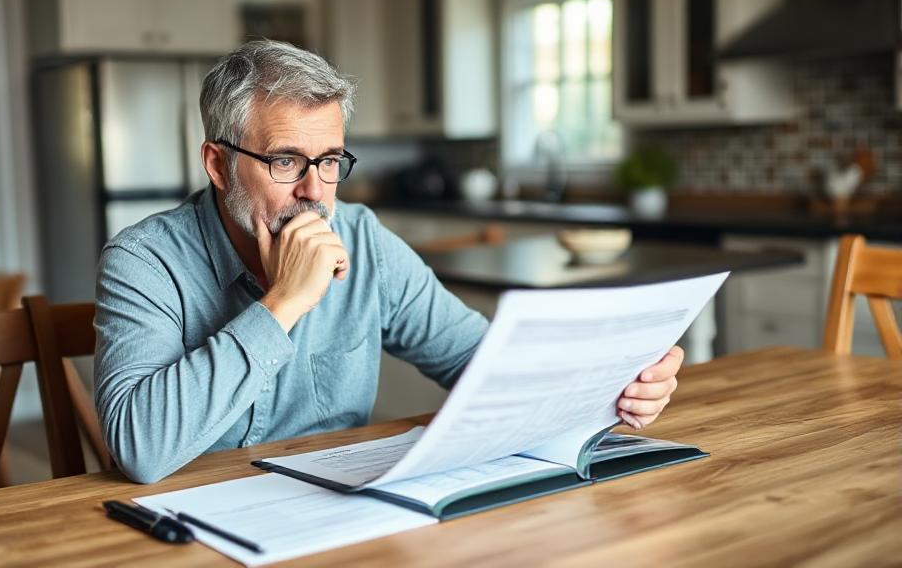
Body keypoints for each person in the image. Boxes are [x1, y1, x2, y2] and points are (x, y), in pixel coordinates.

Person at [94, 40, 683, 484]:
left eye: (329, 161)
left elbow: (483, 364)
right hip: (185, 526)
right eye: (285, 162)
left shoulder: (363, 240)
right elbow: (141, 449)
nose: (315, 192)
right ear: (219, 166)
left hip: (338, 512)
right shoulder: (143, 261)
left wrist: (616, 384)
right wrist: (285, 302)